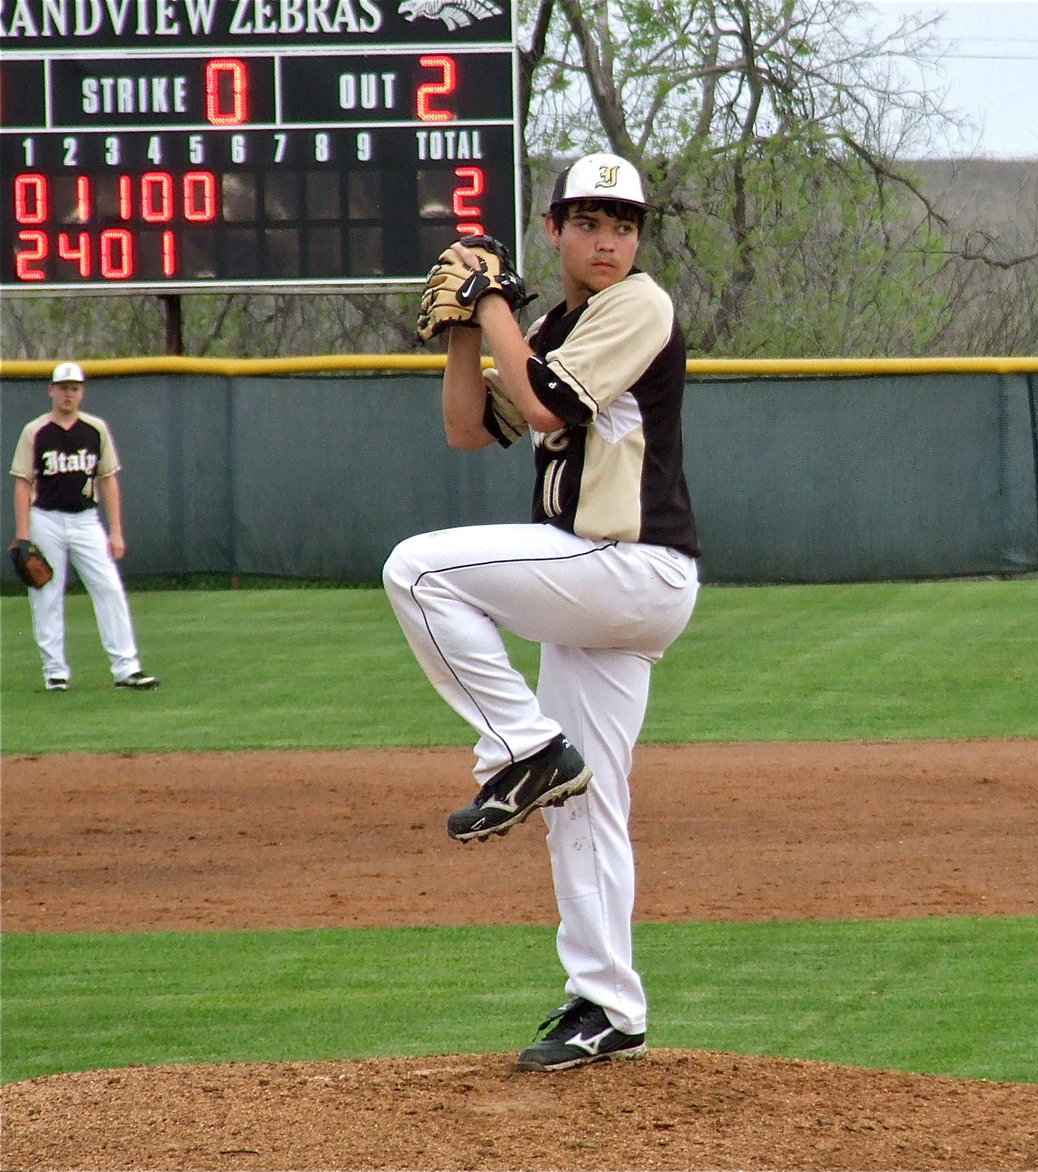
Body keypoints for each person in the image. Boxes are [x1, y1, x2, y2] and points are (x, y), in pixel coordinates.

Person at [383, 152, 701, 1071]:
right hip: (599, 591)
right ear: (556, 228)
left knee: (417, 571)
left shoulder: (638, 304)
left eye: (625, 225)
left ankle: (519, 748)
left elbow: (547, 403)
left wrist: (490, 305)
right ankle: (609, 1008)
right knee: (586, 804)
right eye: (591, 222)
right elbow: (468, 426)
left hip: (627, 565)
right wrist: (460, 329)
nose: (609, 241)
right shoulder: (559, 322)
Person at [10, 362, 159, 692]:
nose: (68, 393)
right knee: (46, 594)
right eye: (62, 387)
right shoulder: (35, 431)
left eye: (74, 387)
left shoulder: (95, 429)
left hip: (86, 520)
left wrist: (116, 530)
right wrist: (23, 536)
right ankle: (55, 672)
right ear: (51, 391)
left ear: (82, 392)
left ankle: (126, 669)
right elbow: (23, 483)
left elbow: (108, 479)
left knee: (109, 589)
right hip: (45, 518)